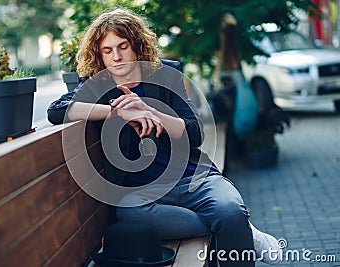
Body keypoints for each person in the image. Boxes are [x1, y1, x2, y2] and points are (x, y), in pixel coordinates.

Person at [47, 7, 281, 266]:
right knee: (130, 213)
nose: (116, 57)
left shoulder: (165, 75)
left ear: (137, 46)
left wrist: (150, 111)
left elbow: (195, 131)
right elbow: (56, 110)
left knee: (230, 209)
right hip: (145, 192)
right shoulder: (97, 84)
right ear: (99, 56)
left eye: (123, 46)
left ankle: (233, 222)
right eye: (107, 50)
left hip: (193, 177)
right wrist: (118, 112)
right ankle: (240, 229)